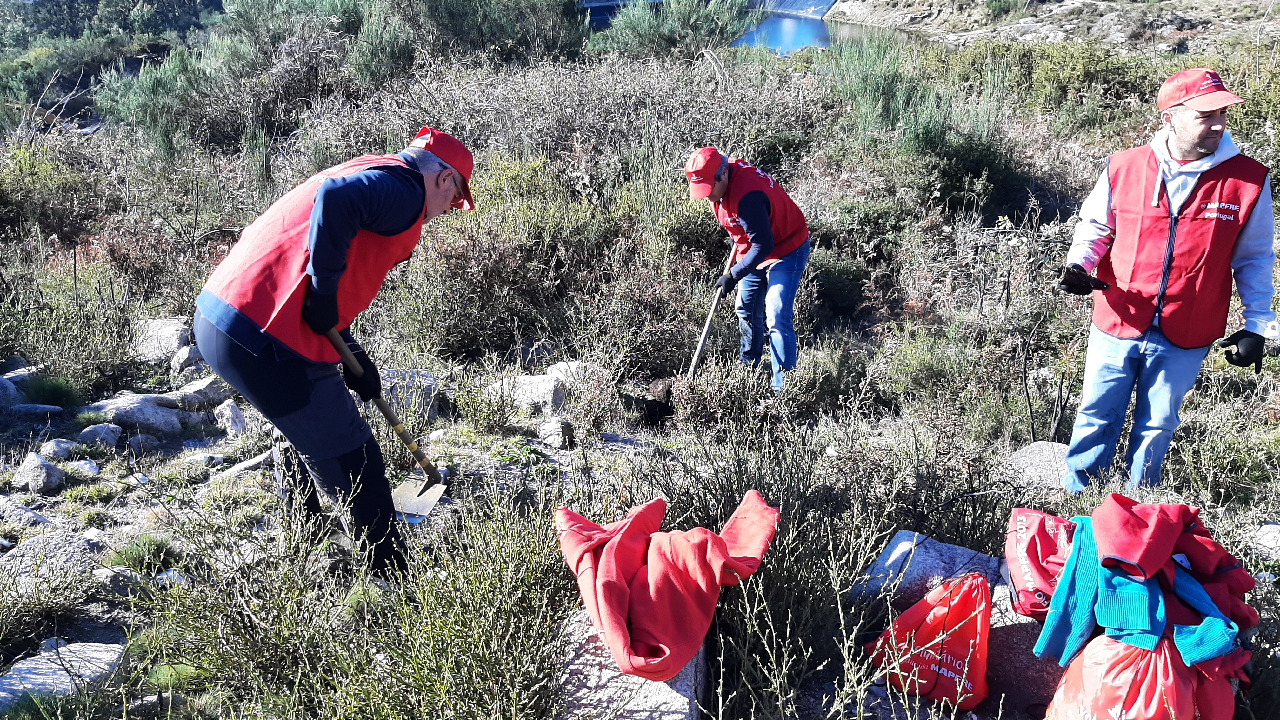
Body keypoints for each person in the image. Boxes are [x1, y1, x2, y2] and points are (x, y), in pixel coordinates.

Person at [193, 127, 476, 575]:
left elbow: (318, 242)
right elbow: (338, 199)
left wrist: (350, 351)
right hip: (265, 336)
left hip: (222, 318)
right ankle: (391, 582)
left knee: (302, 432)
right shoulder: (403, 191)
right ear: (444, 179)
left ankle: (306, 545)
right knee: (355, 458)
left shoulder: (375, 168)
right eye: (456, 199)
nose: (446, 212)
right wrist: (324, 293)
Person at [1057, 69, 1276, 493]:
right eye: (1204, 114)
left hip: (1188, 326)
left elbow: (1254, 258)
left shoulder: (1248, 180)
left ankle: (1137, 505)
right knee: (1097, 413)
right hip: (1119, 316)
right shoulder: (1125, 165)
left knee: (1158, 424)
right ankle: (1078, 500)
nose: (1217, 123)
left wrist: (1257, 326)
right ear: (1169, 118)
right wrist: (1079, 265)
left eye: (1222, 114)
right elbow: (1097, 226)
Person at [685, 147, 811, 391]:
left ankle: (783, 388)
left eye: (710, 188)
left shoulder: (748, 196)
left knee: (776, 313)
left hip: (786, 248)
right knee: (745, 307)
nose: (708, 196)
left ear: (724, 173)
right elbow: (748, 232)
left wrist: (733, 275)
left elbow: (764, 245)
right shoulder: (723, 175)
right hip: (753, 247)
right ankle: (749, 364)